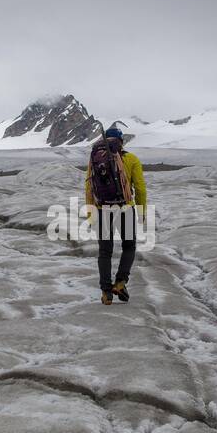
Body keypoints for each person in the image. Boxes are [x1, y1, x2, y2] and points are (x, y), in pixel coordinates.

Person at [85, 126, 147, 305]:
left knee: (105, 252)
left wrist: (90, 213)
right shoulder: (132, 159)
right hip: (125, 208)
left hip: (102, 209)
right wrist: (142, 211)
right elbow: (140, 188)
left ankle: (106, 292)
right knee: (129, 246)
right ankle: (120, 283)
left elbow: (89, 187)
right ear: (121, 141)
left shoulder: (95, 159)